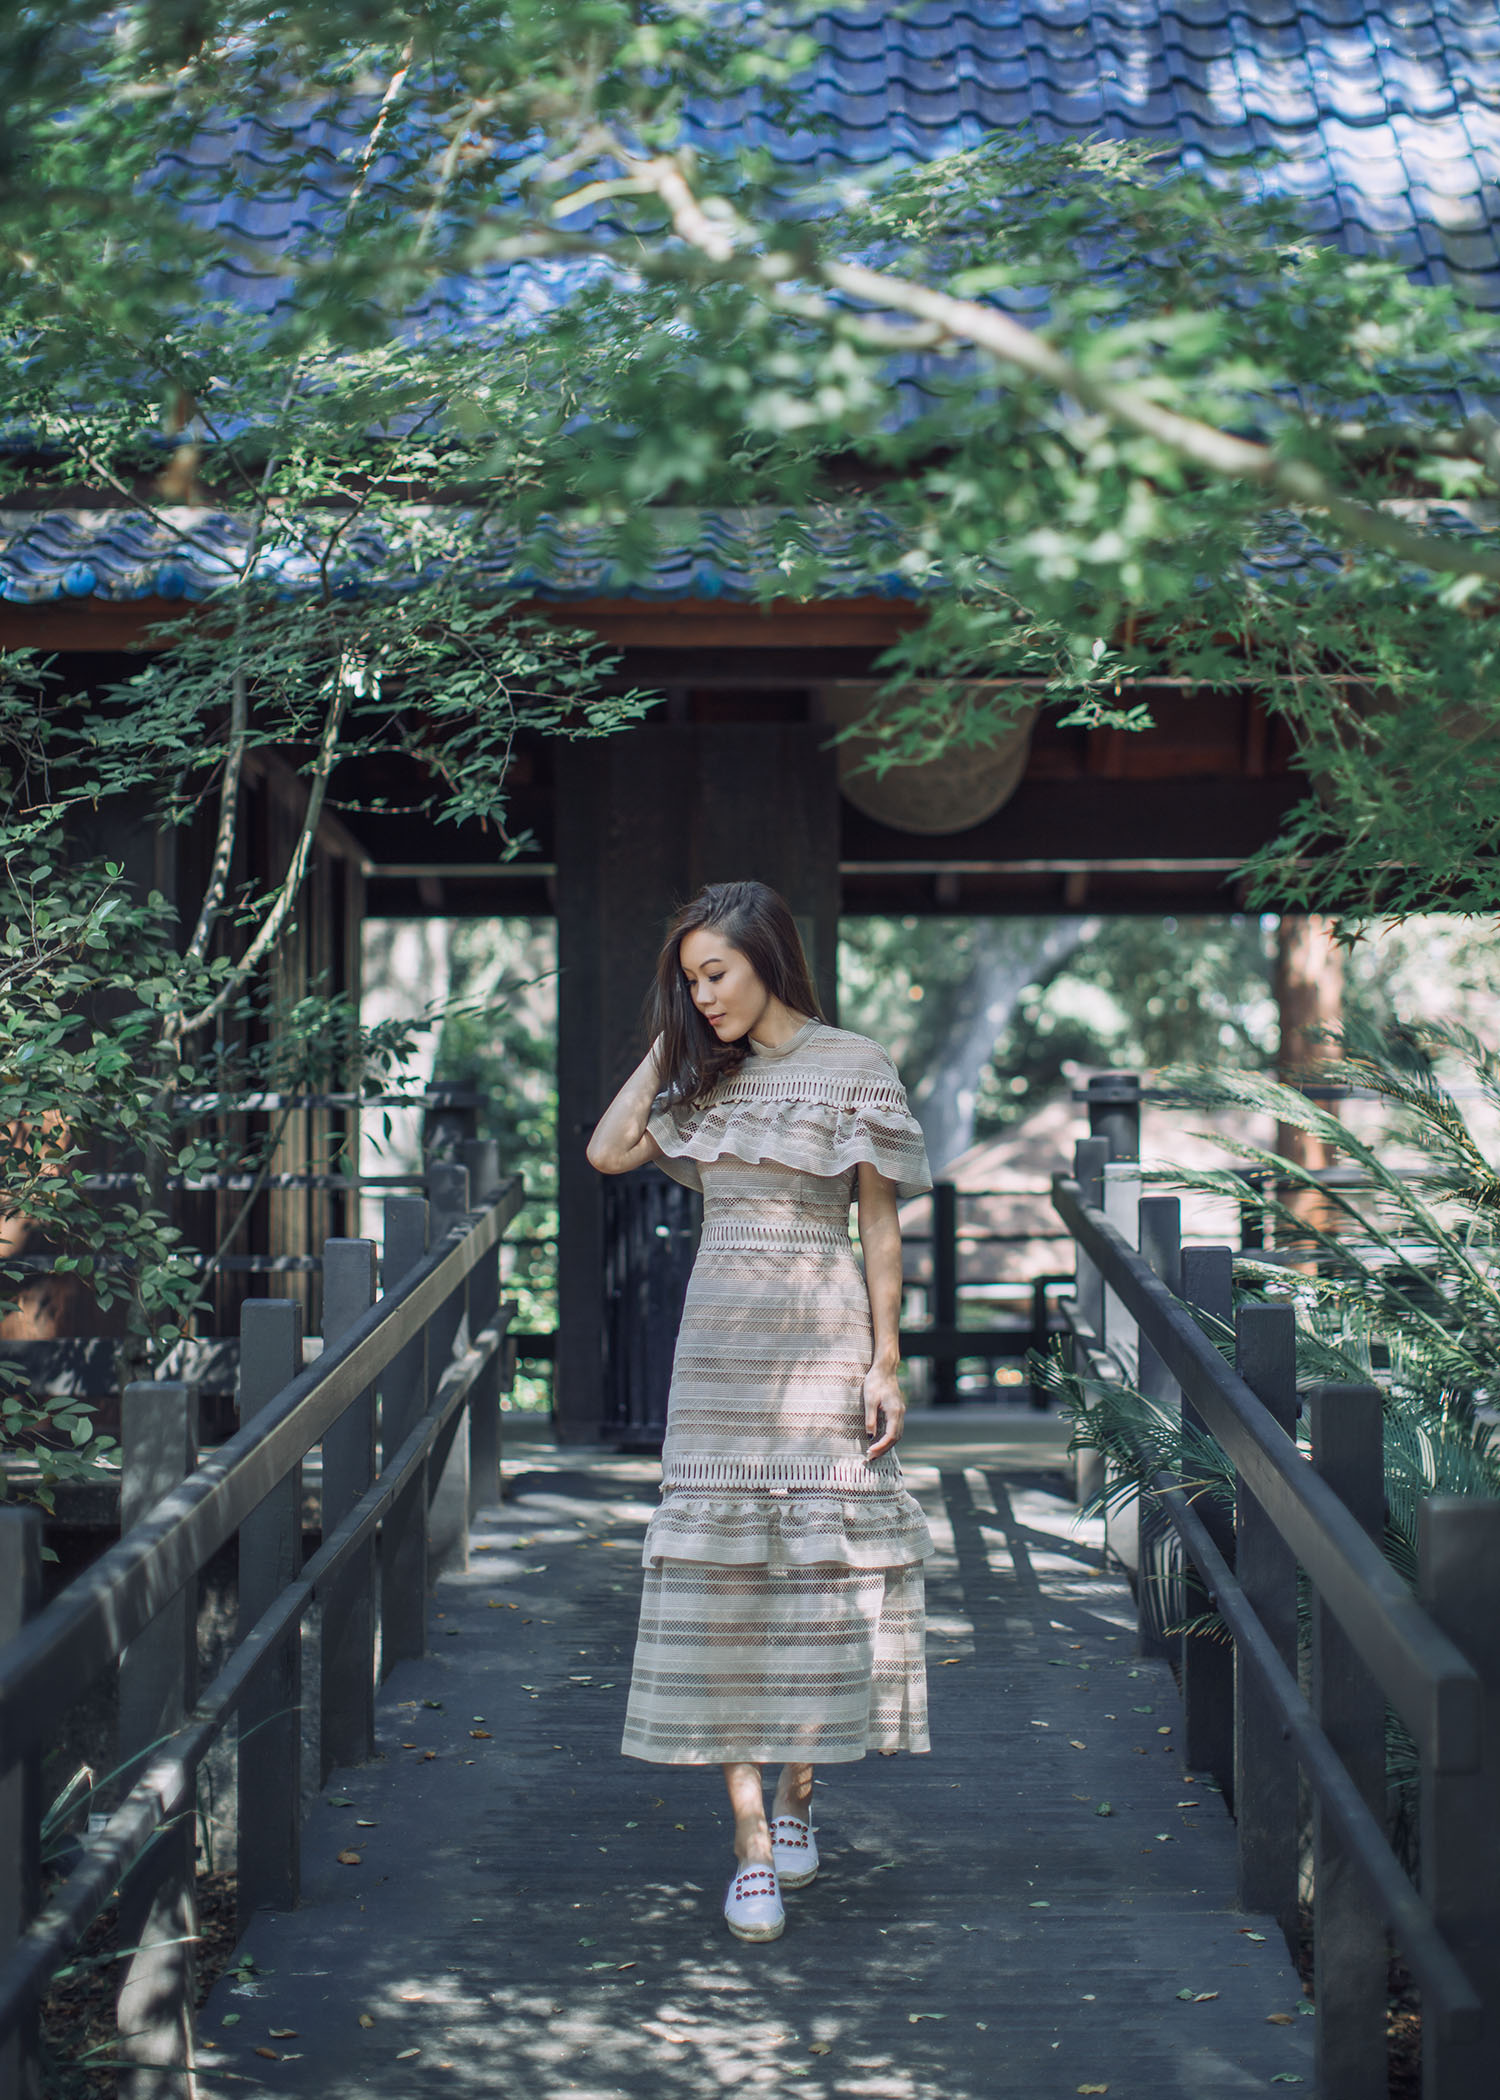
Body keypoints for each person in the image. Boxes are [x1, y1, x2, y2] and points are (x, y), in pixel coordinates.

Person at [586, 879, 934, 1943]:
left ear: (767, 961)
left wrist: (887, 1358)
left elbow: (879, 1227)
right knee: (723, 1582)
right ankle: (746, 1846)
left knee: (825, 1571)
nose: (704, 996)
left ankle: (797, 1800)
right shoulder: (701, 1073)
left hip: (822, 1340)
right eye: (689, 980)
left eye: (716, 974)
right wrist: (669, 1037)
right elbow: (607, 1152)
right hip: (719, 1351)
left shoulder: (854, 1067)